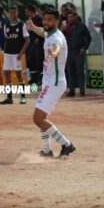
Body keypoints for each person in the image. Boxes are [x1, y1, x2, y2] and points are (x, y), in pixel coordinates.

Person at [26, 9, 76, 158]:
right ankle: (47, 151)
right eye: (44, 19)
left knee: (38, 118)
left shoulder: (57, 38)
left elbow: (57, 46)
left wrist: (54, 53)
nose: (45, 22)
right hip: (49, 82)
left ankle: (66, 144)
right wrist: (33, 27)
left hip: (54, 83)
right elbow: (43, 32)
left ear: (56, 21)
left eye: (49, 20)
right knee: (42, 117)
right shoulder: (49, 33)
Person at [0, 6, 30, 105]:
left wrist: (21, 53)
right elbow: (6, 40)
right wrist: (4, 52)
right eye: (10, 13)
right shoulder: (6, 25)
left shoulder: (22, 25)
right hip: (7, 53)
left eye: (14, 12)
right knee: (6, 74)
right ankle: (9, 97)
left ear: (17, 13)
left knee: (18, 75)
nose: (12, 14)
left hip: (17, 54)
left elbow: (27, 40)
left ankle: (23, 97)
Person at [64, 11, 92, 97]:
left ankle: (82, 91)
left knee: (80, 71)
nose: (69, 19)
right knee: (70, 72)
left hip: (78, 52)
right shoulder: (67, 27)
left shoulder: (82, 26)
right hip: (69, 52)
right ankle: (71, 91)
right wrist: (63, 30)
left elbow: (89, 38)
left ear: (75, 17)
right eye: (68, 17)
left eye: (71, 17)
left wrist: (84, 47)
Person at [25, 5, 44, 85]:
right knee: (31, 61)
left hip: (38, 45)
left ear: (30, 11)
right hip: (31, 44)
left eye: (26, 11)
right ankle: (34, 79)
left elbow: (43, 30)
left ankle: (41, 79)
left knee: (39, 61)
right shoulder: (29, 20)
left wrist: (38, 38)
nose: (25, 13)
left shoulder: (40, 18)